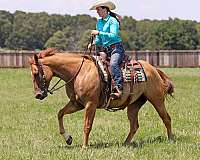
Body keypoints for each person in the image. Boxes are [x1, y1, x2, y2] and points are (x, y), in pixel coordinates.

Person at [89, 0, 125, 99]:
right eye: (96, 9)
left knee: (113, 64)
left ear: (105, 9)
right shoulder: (99, 22)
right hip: (105, 50)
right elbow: (99, 40)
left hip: (116, 48)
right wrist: (93, 43)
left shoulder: (113, 21)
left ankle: (119, 88)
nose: (97, 11)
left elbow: (113, 36)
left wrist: (99, 33)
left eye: (98, 9)